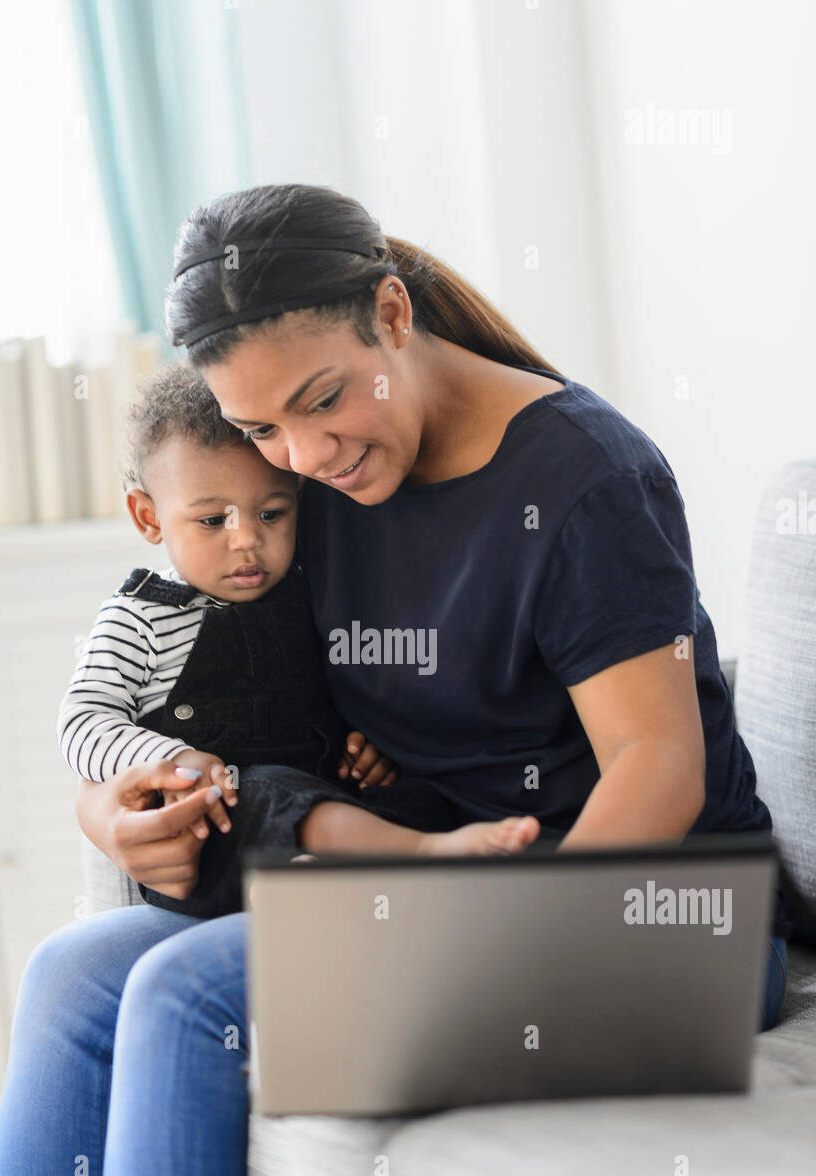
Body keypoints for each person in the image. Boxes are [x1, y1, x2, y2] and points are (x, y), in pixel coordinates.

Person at [0, 183, 791, 1176]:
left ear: (392, 313)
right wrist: (111, 808)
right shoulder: (341, 474)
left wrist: (470, 935)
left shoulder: (586, 479)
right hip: (445, 871)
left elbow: (658, 771)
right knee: (74, 971)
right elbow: (227, 693)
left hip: (657, 913)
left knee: (185, 995)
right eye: (263, 428)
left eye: (319, 403)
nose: (303, 455)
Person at [57, 362, 542, 919]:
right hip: (214, 833)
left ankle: (377, 868)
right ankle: (423, 856)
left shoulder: (307, 593)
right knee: (271, 794)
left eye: (271, 513)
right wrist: (172, 760)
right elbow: (80, 724)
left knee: (421, 796)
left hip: (327, 798)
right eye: (213, 521)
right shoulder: (139, 617)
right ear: (149, 518)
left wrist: (364, 745)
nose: (247, 540)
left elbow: (333, 693)